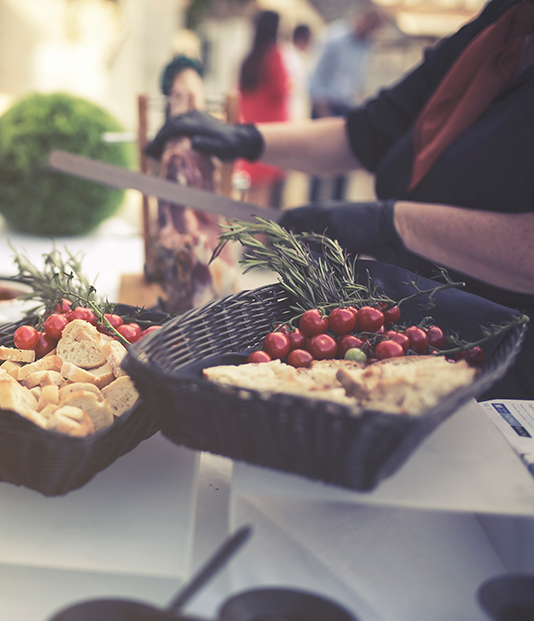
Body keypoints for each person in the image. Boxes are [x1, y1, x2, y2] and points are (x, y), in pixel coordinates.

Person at [146, 0, 534, 399]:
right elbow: (368, 131)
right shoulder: (502, 22)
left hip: (509, 355)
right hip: (402, 324)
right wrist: (248, 139)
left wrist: (392, 223)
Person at [307, 7, 384, 202]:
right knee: (318, 164)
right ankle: (310, 214)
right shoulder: (334, 38)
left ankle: (334, 214)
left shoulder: (366, 43)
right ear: (362, 20)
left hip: (347, 107)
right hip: (326, 106)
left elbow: (357, 78)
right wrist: (323, 113)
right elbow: (316, 78)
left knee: (343, 166)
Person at [236, 11, 290, 208]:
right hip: (273, 136)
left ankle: (247, 238)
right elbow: (280, 90)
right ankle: (257, 240)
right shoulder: (274, 56)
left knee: (251, 200)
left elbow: (239, 95)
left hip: (251, 131)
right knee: (265, 205)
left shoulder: (248, 60)